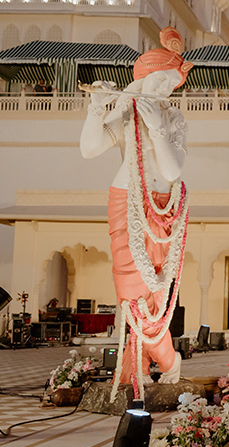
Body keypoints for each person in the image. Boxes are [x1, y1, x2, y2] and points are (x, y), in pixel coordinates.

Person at [81, 27, 193, 399]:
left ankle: (152, 362)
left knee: (156, 294)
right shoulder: (125, 112)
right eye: (160, 81)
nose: (164, 90)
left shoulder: (171, 118)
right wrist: (97, 108)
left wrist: (159, 127)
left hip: (163, 208)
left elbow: (173, 170)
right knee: (131, 288)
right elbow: (89, 150)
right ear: (143, 79)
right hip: (126, 200)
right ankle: (165, 359)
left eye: (170, 84)